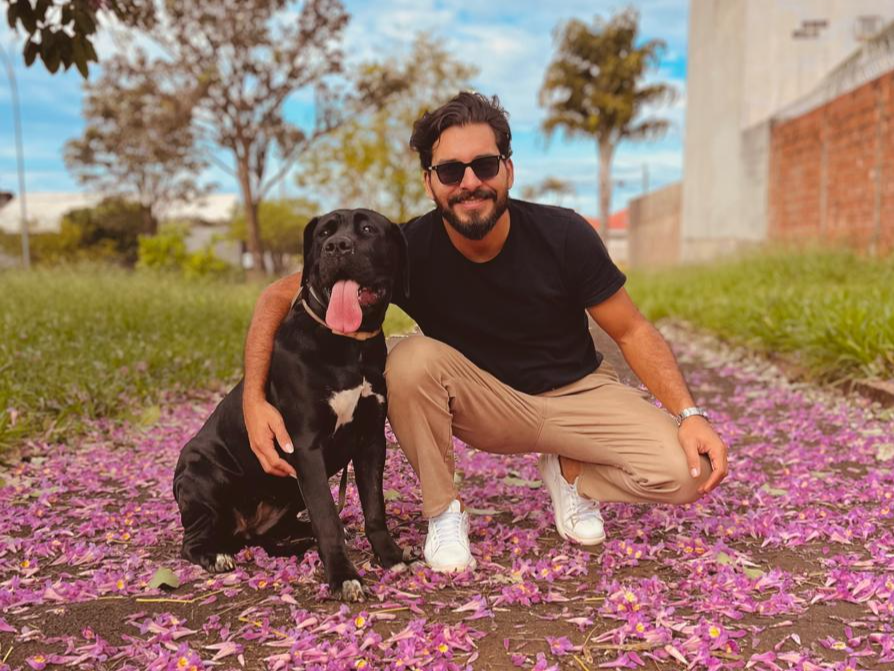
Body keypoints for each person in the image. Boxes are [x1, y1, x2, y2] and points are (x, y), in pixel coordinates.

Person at [241, 92, 729, 573]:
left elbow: (633, 331)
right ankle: (443, 513)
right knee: (409, 360)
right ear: (430, 182)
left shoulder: (564, 234)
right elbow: (275, 298)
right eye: (451, 171)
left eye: (485, 166)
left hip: (581, 394)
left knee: (691, 472)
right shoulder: (404, 249)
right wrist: (254, 400)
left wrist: (689, 414)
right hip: (489, 403)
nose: (470, 182)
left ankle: (572, 472)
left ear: (508, 170)